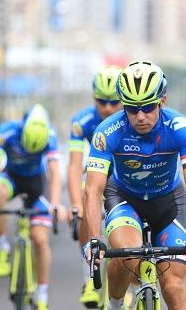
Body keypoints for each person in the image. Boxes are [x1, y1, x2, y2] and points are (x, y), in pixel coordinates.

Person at [83, 61, 186, 310]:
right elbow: (93, 190)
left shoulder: (183, 129)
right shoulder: (107, 131)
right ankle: (115, 304)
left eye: (148, 107)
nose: (140, 116)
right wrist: (94, 239)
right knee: (128, 253)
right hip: (124, 198)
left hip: (168, 202)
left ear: (162, 101)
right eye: (132, 109)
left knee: (173, 287)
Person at [0, 104, 66, 310]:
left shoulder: (50, 137)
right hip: (11, 179)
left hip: (36, 184)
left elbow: (55, 173)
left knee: (40, 239)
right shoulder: (6, 132)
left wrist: (57, 203)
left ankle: (41, 293)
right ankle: (3, 246)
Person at [67, 65, 123, 308]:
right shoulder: (82, 121)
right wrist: (75, 205)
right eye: (102, 101)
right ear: (93, 98)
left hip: (124, 176)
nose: (108, 108)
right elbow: (74, 165)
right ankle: (89, 274)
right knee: (83, 198)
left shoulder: (131, 120)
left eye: (114, 102)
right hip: (97, 172)